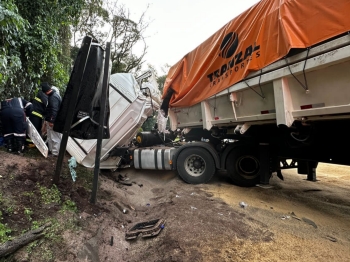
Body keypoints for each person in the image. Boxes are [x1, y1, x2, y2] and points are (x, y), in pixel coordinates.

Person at [42, 83, 62, 156]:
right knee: (51, 136)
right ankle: (51, 151)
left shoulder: (53, 97)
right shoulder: (54, 95)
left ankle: (55, 153)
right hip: (53, 119)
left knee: (55, 137)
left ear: (46, 92)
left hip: (54, 120)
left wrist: (51, 121)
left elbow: (54, 110)